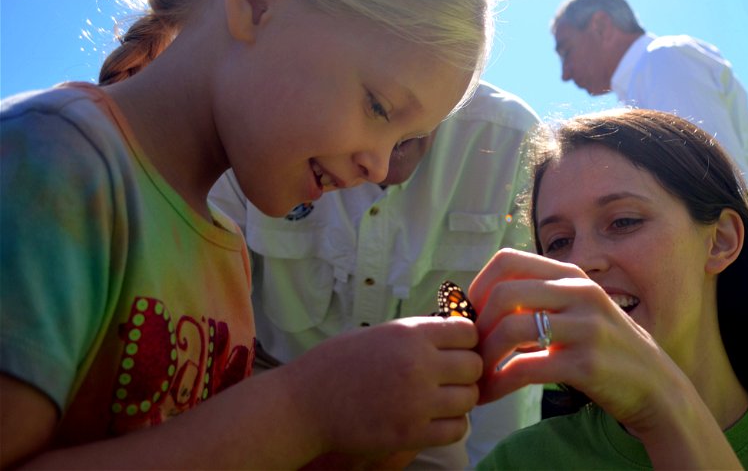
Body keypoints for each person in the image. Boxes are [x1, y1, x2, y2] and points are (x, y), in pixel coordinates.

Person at [0, 0, 495, 468]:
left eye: (402, 143)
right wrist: (303, 409)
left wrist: (366, 437)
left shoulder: (227, 249)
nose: (378, 167)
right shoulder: (53, 163)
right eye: (378, 105)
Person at [469, 109, 748, 469]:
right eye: (558, 242)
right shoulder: (520, 461)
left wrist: (662, 407)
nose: (580, 262)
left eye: (623, 222)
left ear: (721, 240)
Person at [208, 80, 544, 468]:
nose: (381, 165)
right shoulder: (265, 114)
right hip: (266, 383)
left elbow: (513, 343)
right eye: (380, 107)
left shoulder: (512, 142)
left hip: (422, 417)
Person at [550, 0, 748, 401]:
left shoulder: (661, 63)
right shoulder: (644, 79)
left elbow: (711, 181)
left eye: (565, 49)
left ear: (600, 26)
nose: (564, 72)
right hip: (734, 240)